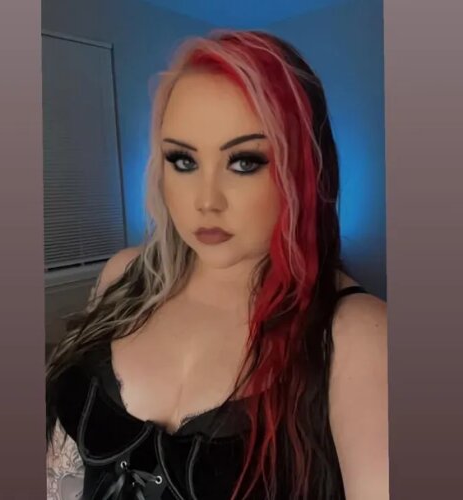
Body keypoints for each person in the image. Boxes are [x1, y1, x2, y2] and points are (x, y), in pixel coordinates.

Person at [46, 29, 388, 500]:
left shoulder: (358, 335)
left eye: (244, 162)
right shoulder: (123, 278)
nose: (206, 201)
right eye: (183, 160)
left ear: (304, 171)